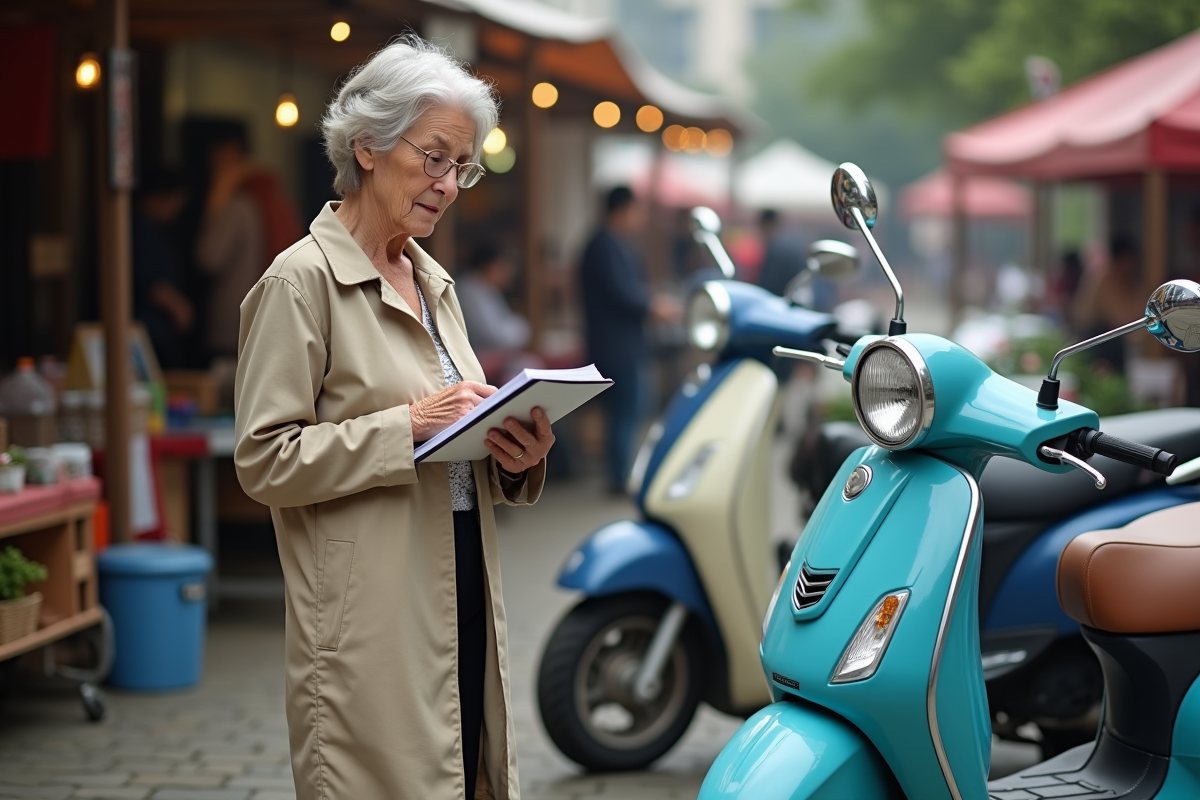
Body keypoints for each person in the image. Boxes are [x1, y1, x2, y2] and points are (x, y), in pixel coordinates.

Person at [233, 36, 555, 800]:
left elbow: (456, 436)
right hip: (368, 620)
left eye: (462, 167)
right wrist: (405, 424)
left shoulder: (432, 280)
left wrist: (515, 452)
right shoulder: (299, 281)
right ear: (367, 145)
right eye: (435, 157)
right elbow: (263, 460)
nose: (449, 184)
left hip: (463, 587)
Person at [580, 186, 678, 493]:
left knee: (629, 410)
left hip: (621, 344)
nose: (639, 218)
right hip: (617, 346)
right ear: (622, 210)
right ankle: (620, 477)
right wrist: (653, 305)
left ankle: (622, 473)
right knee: (625, 411)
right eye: (637, 211)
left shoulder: (608, 244)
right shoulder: (604, 246)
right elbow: (622, 294)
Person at [195, 127, 266, 364]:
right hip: (263, 313)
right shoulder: (271, 197)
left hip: (232, 321)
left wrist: (213, 210)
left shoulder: (237, 205)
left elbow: (208, 257)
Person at [132, 170, 194, 369]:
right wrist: (178, 307)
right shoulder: (139, 229)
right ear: (158, 198)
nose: (176, 211)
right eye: (174, 204)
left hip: (155, 327)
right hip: (146, 326)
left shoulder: (154, 228)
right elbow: (150, 281)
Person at [1072, 235, 1145, 373]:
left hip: (1107, 341)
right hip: (1096, 345)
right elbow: (1121, 321)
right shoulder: (1106, 279)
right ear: (1123, 259)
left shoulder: (1125, 280)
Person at [456, 243, 531, 351]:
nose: (508, 272)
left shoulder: (489, 288)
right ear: (489, 266)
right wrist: (522, 328)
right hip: (476, 357)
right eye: (503, 266)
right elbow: (495, 337)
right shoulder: (468, 290)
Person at [755, 208, 807, 298]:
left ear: (766, 225)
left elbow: (770, 283)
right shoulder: (791, 244)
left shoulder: (776, 250)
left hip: (780, 301)